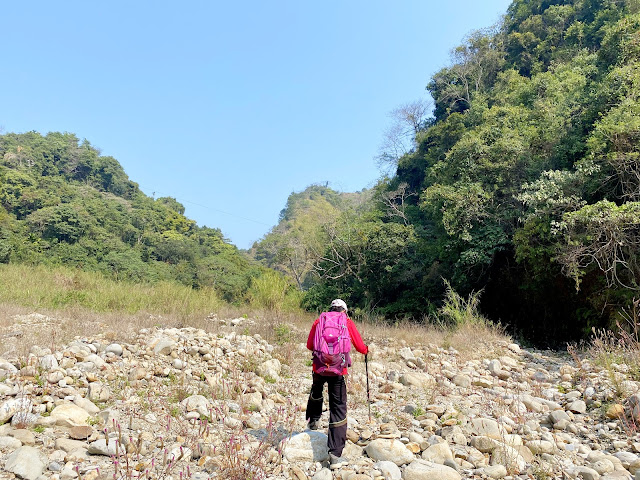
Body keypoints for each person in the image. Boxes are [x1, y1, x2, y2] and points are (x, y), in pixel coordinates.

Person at [305, 298, 368, 465]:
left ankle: (313, 420)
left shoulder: (319, 320)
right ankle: (335, 454)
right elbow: (360, 347)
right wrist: (366, 350)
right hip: (338, 370)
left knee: (316, 390)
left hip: (319, 367)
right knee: (338, 408)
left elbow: (309, 345)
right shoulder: (347, 322)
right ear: (344, 311)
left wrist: (324, 352)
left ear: (331, 308)